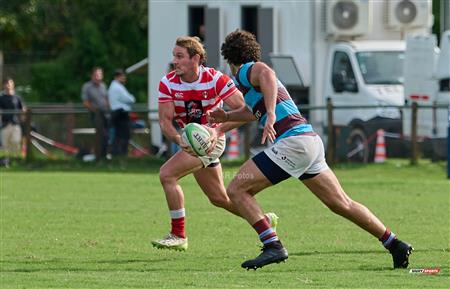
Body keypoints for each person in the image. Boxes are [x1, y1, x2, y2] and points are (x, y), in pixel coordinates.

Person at [207, 30, 413, 270]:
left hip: (293, 143)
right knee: (340, 203)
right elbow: (253, 112)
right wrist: (227, 117)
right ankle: (395, 244)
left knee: (236, 188)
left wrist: (272, 113)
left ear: (229, 58)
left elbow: (267, 73)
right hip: (309, 142)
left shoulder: (245, 70)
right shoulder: (252, 87)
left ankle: (272, 245)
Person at [151, 36, 278, 251]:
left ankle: (178, 235)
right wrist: (178, 139)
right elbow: (165, 122)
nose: (174, 61)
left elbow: (245, 111)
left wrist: (214, 131)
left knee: (167, 174)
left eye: (179, 56)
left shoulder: (215, 79)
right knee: (219, 198)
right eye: (174, 56)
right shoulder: (168, 83)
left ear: (196, 59)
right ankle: (264, 220)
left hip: (213, 141)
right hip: (192, 141)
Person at [81, 67, 110, 159]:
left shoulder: (103, 86)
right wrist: (95, 110)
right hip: (95, 115)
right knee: (100, 135)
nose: (98, 77)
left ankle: (104, 155)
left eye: (100, 75)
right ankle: (98, 156)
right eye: (97, 75)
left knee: (106, 135)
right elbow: (85, 102)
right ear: (92, 76)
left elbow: (106, 99)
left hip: (105, 114)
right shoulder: (87, 86)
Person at [108, 69, 135, 156]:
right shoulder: (118, 87)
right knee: (124, 135)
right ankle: (122, 154)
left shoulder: (113, 86)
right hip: (121, 113)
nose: (124, 78)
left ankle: (117, 153)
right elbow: (130, 99)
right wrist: (131, 97)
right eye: (122, 76)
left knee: (118, 135)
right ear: (117, 77)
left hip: (116, 113)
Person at [0, 77, 26, 165]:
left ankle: (15, 161)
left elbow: (22, 109)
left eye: (10, 83)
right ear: (3, 85)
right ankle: (6, 162)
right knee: (5, 145)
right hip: (5, 124)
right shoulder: (1, 97)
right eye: (7, 83)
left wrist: (23, 117)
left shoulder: (17, 97)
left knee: (15, 141)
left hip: (15, 124)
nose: (8, 85)